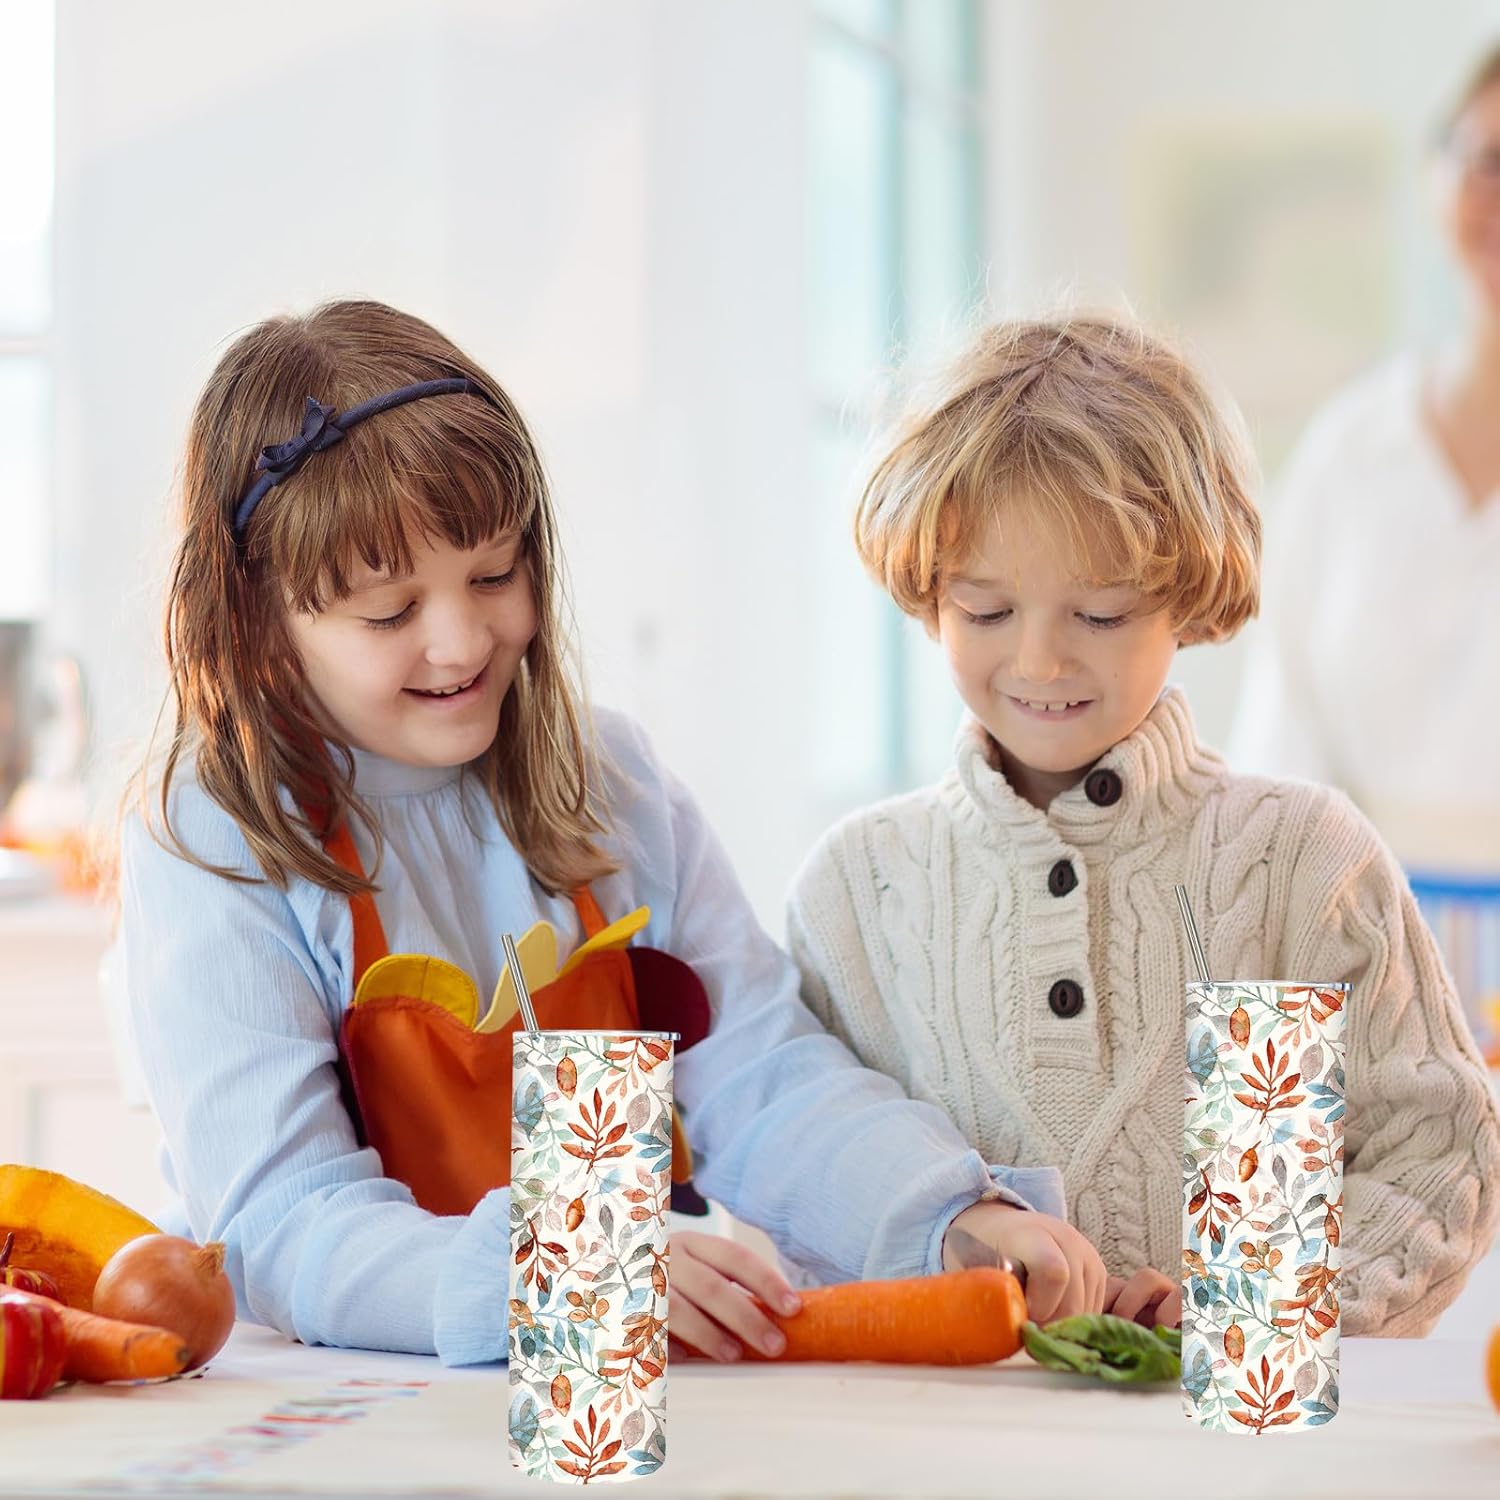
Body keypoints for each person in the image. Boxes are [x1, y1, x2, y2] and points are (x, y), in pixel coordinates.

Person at [117, 299, 1072, 1367]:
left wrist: (943, 1214)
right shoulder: (213, 836)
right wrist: (572, 1267)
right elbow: (284, 1223)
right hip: (350, 1405)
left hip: (599, 1395)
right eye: (389, 612)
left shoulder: (610, 780)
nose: (461, 641)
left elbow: (759, 1076)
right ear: (256, 622)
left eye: (494, 574)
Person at [787, 313, 1500, 1335]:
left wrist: (1251, 1311)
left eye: (1101, 614)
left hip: (1244, 1429)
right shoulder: (855, 892)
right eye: (986, 611)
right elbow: (801, 1178)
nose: (1040, 660)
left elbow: (1440, 1150)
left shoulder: (1301, 863)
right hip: (941, 1426)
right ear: (928, 593)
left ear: (1186, 596)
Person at [1230, 48, 1500, 1049]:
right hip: (1345, 958)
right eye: (1487, 160)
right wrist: (1256, 1130)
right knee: (1265, 1161)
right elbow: (1275, 769)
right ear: (1435, 181)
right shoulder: (1348, 451)